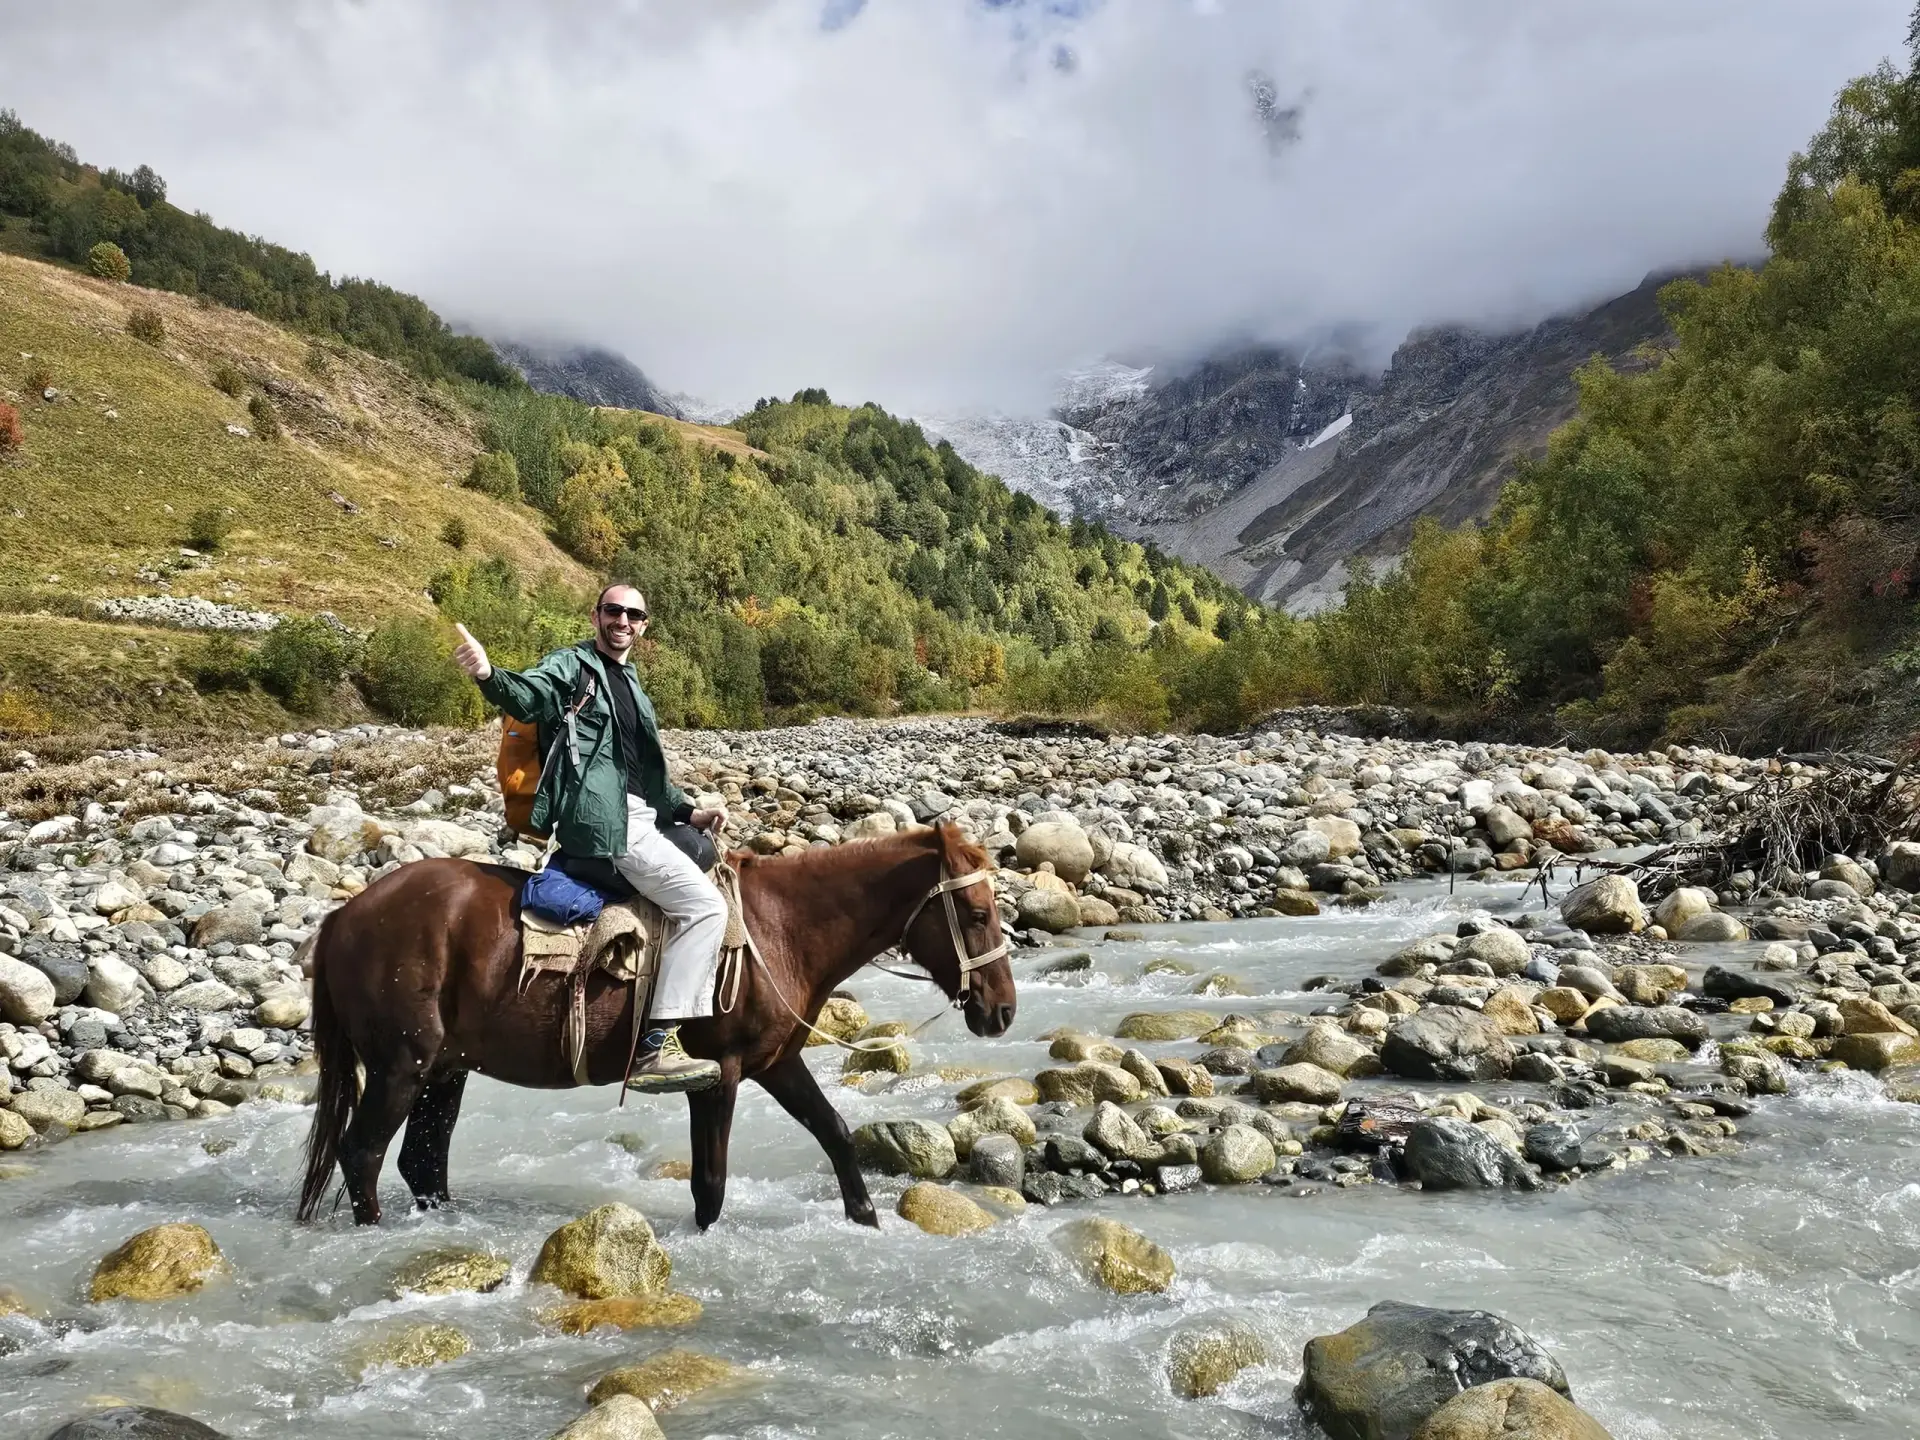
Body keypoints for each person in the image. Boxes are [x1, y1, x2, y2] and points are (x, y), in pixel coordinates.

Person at [452, 583, 724, 1090]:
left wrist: (688, 811)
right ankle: (654, 1047)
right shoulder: (571, 667)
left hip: (640, 815)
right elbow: (528, 696)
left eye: (633, 614)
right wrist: (488, 675)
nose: (623, 620)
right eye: (613, 610)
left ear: (644, 626)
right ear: (596, 615)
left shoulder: (631, 682)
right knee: (708, 908)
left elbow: (647, 772)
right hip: (604, 821)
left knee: (701, 849)